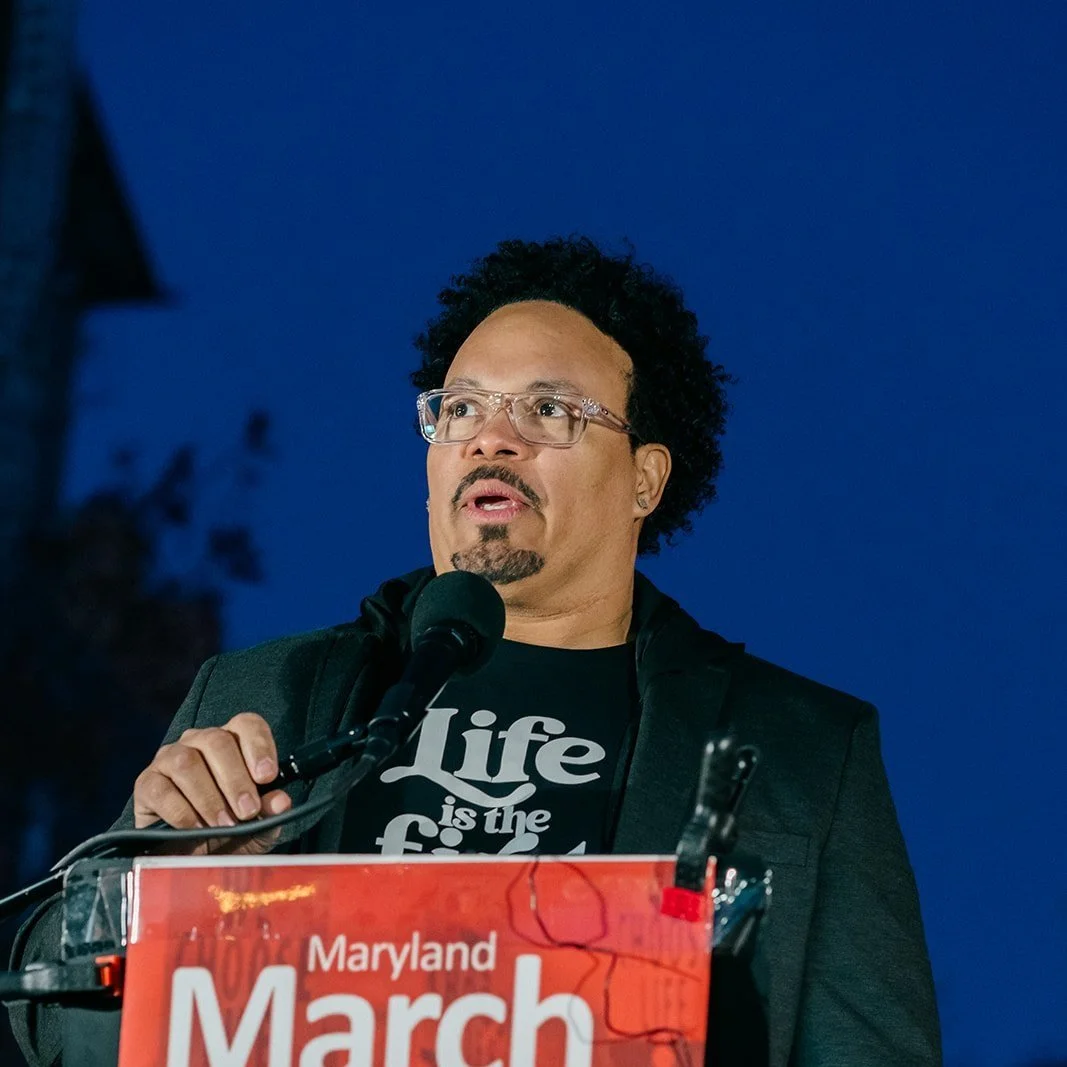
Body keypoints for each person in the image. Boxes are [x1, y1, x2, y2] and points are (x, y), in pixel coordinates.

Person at [8, 236, 941, 1066]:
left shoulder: (803, 748)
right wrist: (150, 887)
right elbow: (56, 1033)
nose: (491, 436)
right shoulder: (261, 693)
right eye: (460, 407)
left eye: (549, 409)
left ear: (644, 479)